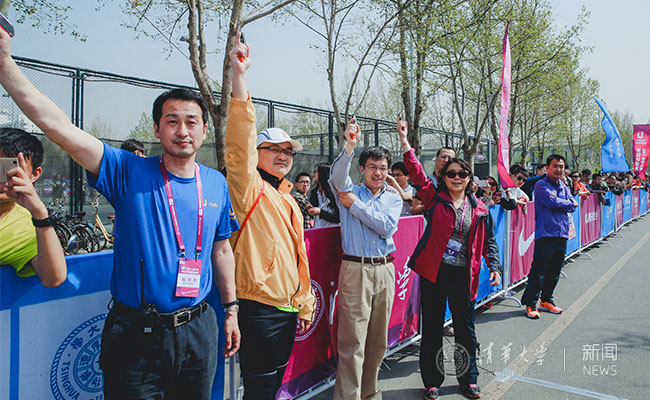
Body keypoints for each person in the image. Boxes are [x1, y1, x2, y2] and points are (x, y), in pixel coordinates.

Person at [0, 29, 241, 398]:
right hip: (135, 336)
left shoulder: (216, 183)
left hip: (199, 329)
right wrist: (5, 63)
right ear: (157, 129)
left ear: (204, 130)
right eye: (172, 121)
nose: (182, 130)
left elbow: (221, 250)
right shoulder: (127, 171)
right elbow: (58, 127)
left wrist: (231, 309)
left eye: (191, 122)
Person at [225, 34, 315, 400]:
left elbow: (299, 259)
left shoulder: (288, 197)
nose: (282, 156)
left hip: (287, 309)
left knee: (273, 385)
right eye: (273, 149)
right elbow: (238, 142)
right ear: (256, 153)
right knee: (260, 389)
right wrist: (240, 76)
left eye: (288, 152)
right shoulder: (248, 187)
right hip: (257, 308)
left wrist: (304, 303)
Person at [397, 118, 501, 400]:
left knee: (465, 330)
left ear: (469, 178)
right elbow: (416, 173)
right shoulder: (433, 198)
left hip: (463, 275)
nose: (456, 177)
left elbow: (489, 242)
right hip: (434, 273)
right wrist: (404, 140)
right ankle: (432, 381)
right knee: (432, 329)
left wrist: (494, 266)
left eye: (462, 173)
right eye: (451, 173)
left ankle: (469, 379)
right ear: (443, 177)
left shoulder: (479, 210)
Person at [329, 117, 403, 400]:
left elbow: (387, 227)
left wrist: (356, 206)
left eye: (383, 168)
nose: (378, 173)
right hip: (355, 269)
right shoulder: (347, 191)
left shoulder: (393, 198)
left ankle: (370, 394)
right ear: (362, 169)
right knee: (352, 341)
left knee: (377, 341)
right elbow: (336, 176)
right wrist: (350, 146)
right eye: (372, 167)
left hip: (385, 270)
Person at [0, 128, 67, 286]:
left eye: (10, 168)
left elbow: (54, 278)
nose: (3, 178)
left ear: (35, 175)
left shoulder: (27, 228)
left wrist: (40, 214)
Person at [521, 154, 577, 319]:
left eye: (561, 166)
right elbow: (554, 203)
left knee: (555, 270)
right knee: (539, 270)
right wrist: (567, 203)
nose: (558, 169)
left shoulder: (563, 185)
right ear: (547, 168)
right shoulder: (541, 185)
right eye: (555, 166)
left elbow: (572, 204)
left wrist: (566, 203)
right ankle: (530, 302)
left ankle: (546, 300)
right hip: (546, 233)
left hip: (562, 232)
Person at [309, 162, 340, 228]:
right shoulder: (314, 193)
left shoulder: (335, 193)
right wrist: (310, 209)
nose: (313, 175)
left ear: (322, 173)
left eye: (315, 172)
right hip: (318, 229)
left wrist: (321, 212)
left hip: (332, 230)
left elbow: (339, 218)